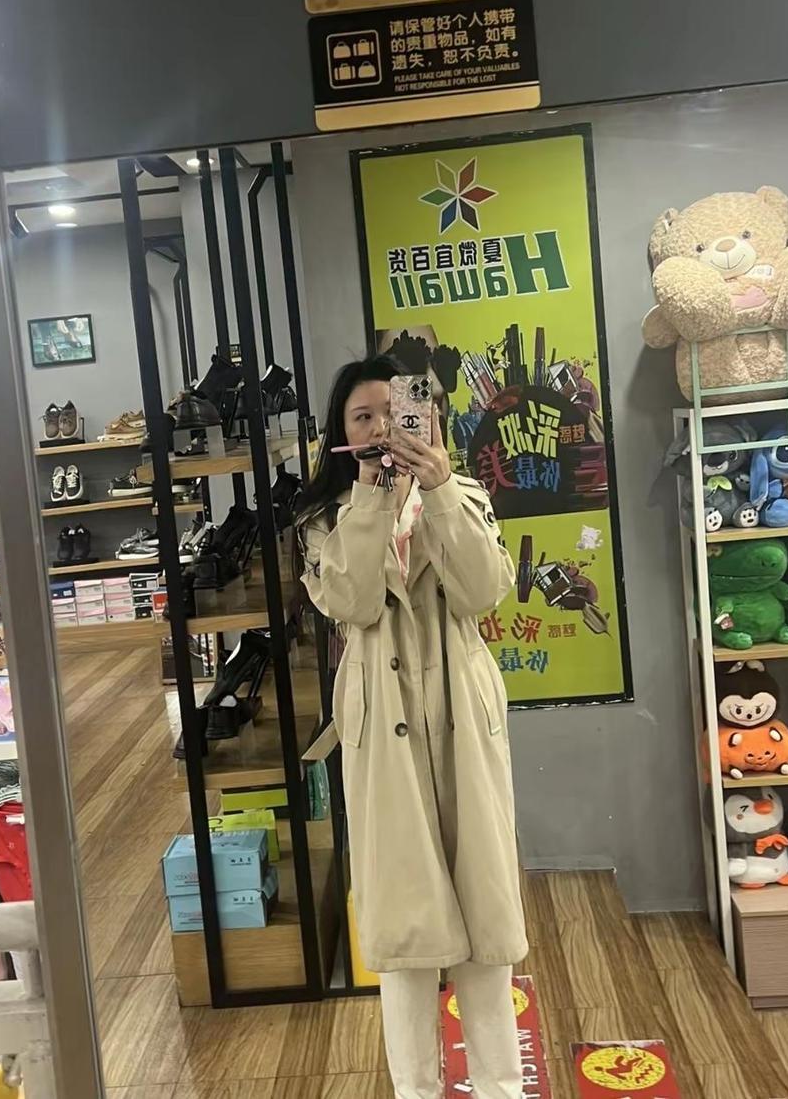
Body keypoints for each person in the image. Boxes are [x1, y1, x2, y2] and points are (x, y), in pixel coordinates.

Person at [298, 355, 527, 1099]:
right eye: (361, 417)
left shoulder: (463, 496)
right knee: (405, 928)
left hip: (462, 714)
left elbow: (484, 591)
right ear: (339, 433)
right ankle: (416, 1091)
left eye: (396, 414)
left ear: (429, 420)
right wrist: (371, 498)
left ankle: (501, 1088)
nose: (379, 429)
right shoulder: (324, 520)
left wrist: (438, 489)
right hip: (381, 724)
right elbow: (353, 604)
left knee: (484, 918)